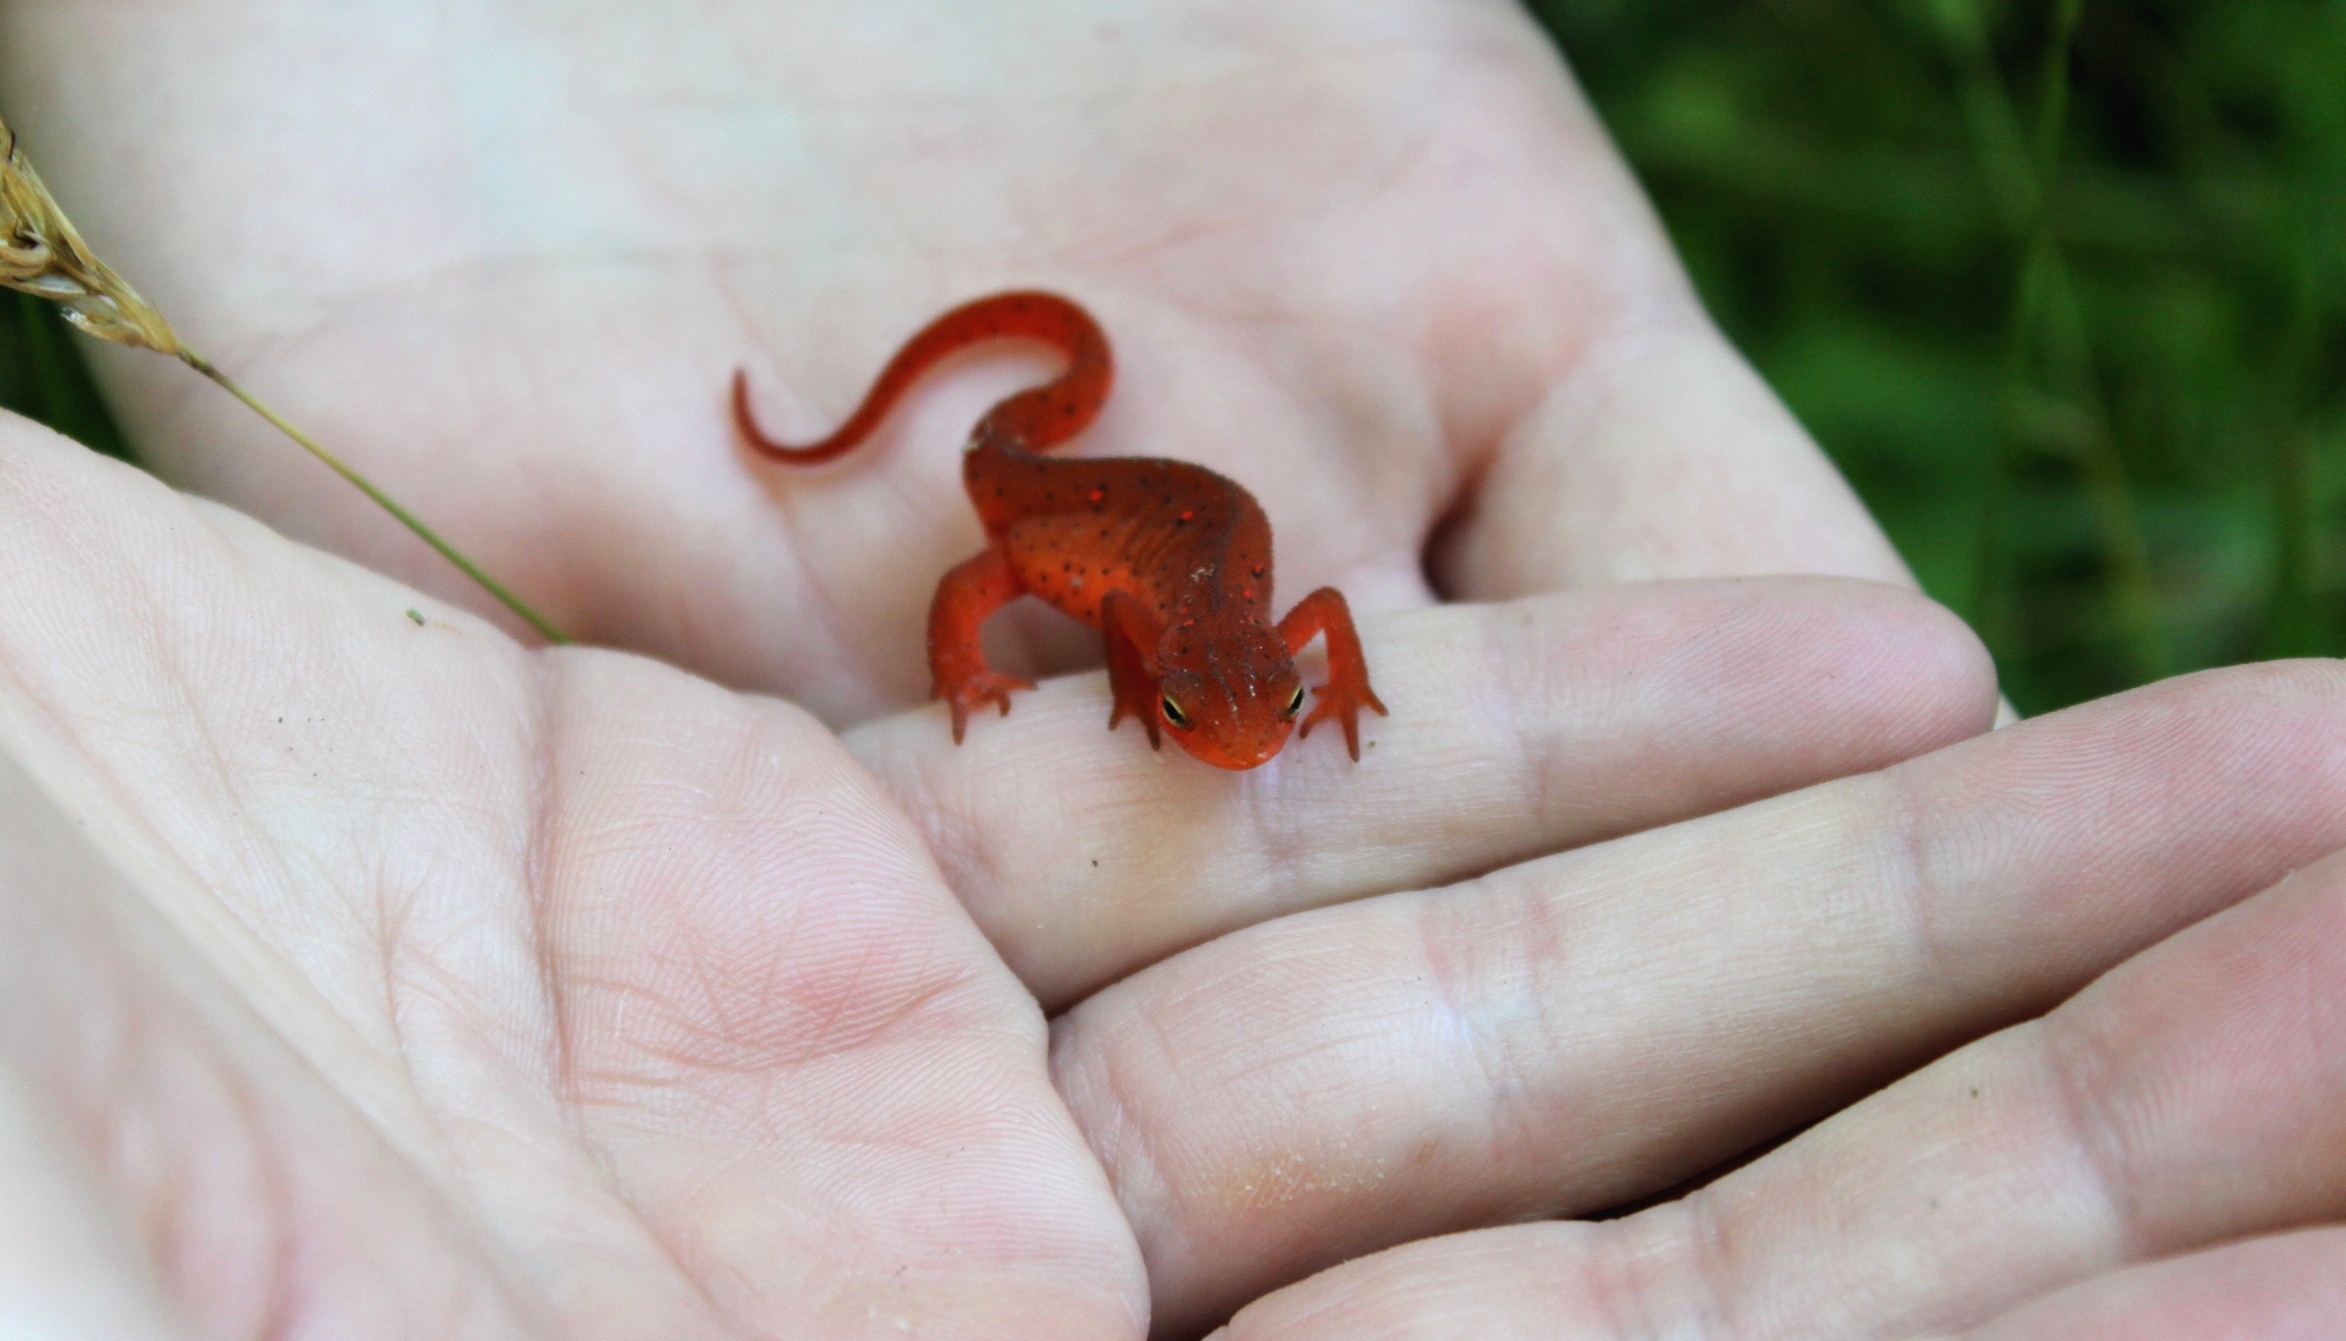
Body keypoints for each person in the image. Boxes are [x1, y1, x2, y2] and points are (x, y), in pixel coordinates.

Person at [1, 4, 2341, 1336]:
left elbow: (1303, 624)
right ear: (1169, 672)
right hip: (1076, 486)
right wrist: (980, 662)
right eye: (1220, 716)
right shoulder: (1072, 568)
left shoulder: (1246, 643)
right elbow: (999, 586)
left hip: (1175, 505)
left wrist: (1354, 693)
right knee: (1007, 481)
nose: (1242, 738)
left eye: (1247, 717)